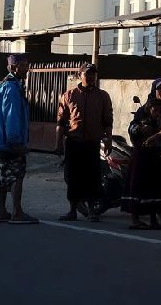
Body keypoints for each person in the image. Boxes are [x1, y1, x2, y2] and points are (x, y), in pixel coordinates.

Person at [55, 63, 113, 221]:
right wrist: (58, 143)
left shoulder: (102, 96)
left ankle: (93, 211)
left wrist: (108, 139)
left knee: (93, 178)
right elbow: (61, 122)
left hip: (92, 143)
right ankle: (72, 210)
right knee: (73, 178)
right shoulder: (69, 95)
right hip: (74, 143)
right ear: (79, 75)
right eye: (87, 73)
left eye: (93, 74)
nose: (91, 76)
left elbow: (108, 120)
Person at [0, 54, 38, 224]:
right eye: (23, 65)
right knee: (17, 175)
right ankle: (17, 212)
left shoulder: (4, 86)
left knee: (3, 175)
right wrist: (16, 142)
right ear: (14, 67)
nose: (27, 69)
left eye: (27, 65)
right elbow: (12, 116)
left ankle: (1, 212)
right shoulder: (12, 89)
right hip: (10, 142)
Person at [122, 79, 161, 230]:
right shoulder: (144, 108)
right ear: (154, 90)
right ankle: (136, 218)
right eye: (160, 88)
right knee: (140, 184)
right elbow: (132, 127)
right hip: (144, 154)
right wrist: (140, 129)